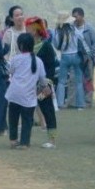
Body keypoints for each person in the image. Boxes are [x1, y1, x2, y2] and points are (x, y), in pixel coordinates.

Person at [5, 33, 42, 149]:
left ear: (20, 45)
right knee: (27, 120)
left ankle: (13, 140)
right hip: (28, 95)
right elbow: (42, 78)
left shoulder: (15, 59)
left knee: (13, 118)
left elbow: (10, 72)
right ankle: (25, 142)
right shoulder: (38, 61)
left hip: (14, 93)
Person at [26, 17, 57, 149]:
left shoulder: (47, 46)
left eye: (29, 28)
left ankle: (52, 140)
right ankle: (24, 139)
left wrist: (48, 85)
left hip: (43, 87)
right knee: (27, 111)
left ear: (35, 30)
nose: (27, 30)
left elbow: (51, 68)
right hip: (28, 86)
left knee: (47, 110)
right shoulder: (26, 46)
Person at [52, 11, 85, 109]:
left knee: (61, 81)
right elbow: (81, 38)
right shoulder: (73, 29)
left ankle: (60, 103)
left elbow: (56, 44)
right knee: (78, 81)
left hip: (64, 56)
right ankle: (80, 105)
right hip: (75, 55)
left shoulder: (57, 31)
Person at [70, 7, 95, 107]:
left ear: (82, 16)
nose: (74, 19)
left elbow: (94, 44)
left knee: (88, 80)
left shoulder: (89, 29)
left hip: (88, 58)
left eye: (76, 16)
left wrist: (94, 58)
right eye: (73, 17)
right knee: (73, 79)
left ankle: (88, 101)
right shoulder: (71, 29)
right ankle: (72, 102)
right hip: (75, 57)